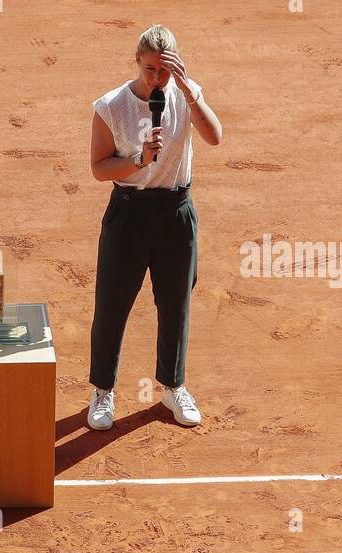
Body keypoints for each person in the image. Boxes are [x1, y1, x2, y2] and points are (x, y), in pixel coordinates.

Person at [85, 24, 223, 430]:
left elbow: (214, 136)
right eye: (149, 69)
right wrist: (140, 160)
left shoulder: (185, 94)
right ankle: (103, 392)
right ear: (137, 62)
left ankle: (172, 387)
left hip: (176, 214)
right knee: (112, 305)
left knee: (175, 304)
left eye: (164, 70)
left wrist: (189, 90)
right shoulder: (110, 106)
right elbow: (98, 167)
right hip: (128, 214)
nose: (156, 78)